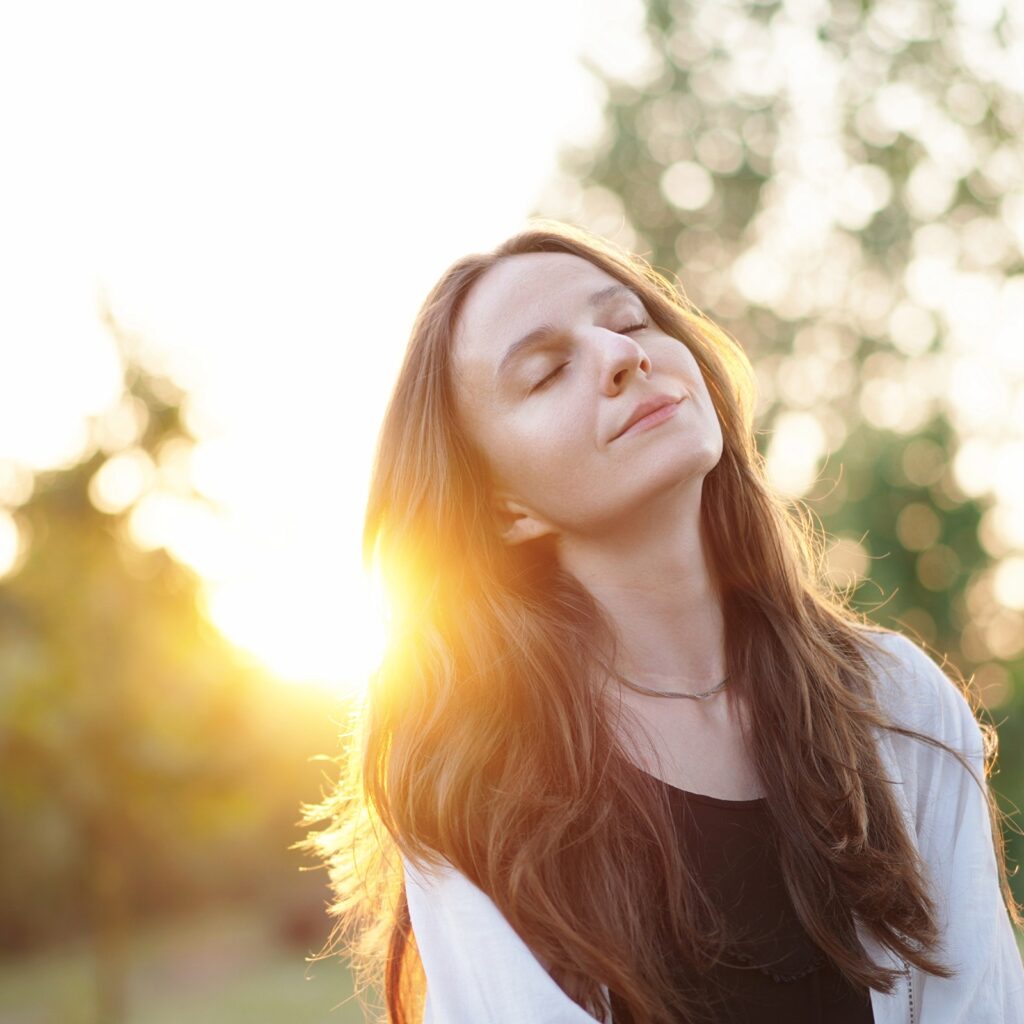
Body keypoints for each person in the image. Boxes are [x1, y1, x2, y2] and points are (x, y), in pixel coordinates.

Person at [300, 220, 1024, 1023]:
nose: (620, 357)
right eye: (546, 373)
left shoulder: (899, 703)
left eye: (630, 322)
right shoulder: (470, 774)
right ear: (505, 509)